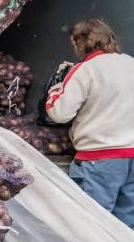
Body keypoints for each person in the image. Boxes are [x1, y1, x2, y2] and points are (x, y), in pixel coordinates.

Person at [44, 18, 134, 228]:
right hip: (132, 157)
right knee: (126, 226)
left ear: (80, 43)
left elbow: (59, 114)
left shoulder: (85, 69)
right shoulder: (131, 63)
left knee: (93, 227)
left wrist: (56, 90)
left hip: (99, 160)